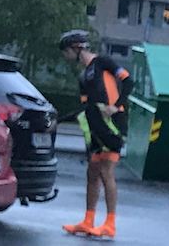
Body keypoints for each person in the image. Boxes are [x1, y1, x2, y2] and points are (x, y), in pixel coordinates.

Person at [57, 29, 129, 239]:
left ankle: (110, 224)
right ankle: (88, 221)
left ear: (76, 48)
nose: (65, 56)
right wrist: (58, 121)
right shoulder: (83, 76)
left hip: (112, 125)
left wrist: (116, 106)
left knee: (107, 172)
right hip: (95, 128)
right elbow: (85, 107)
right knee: (92, 173)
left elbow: (128, 81)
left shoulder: (103, 62)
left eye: (66, 52)